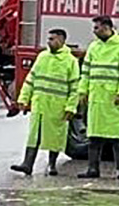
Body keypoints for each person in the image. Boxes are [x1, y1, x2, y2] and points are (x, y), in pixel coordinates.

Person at [11, 28, 80, 177]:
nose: (49, 42)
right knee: (33, 135)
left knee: (54, 136)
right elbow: (31, 80)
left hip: (57, 106)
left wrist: (71, 107)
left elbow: (75, 88)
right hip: (40, 104)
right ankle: (27, 164)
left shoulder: (70, 61)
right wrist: (23, 99)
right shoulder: (42, 57)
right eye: (48, 39)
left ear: (61, 41)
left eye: (52, 39)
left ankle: (52, 165)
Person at [74, 15, 119, 179]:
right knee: (94, 137)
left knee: (117, 137)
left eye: (97, 28)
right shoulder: (94, 47)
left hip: (112, 98)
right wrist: (82, 91)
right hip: (95, 97)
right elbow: (85, 72)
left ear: (107, 27)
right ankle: (92, 169)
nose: (94, 31)